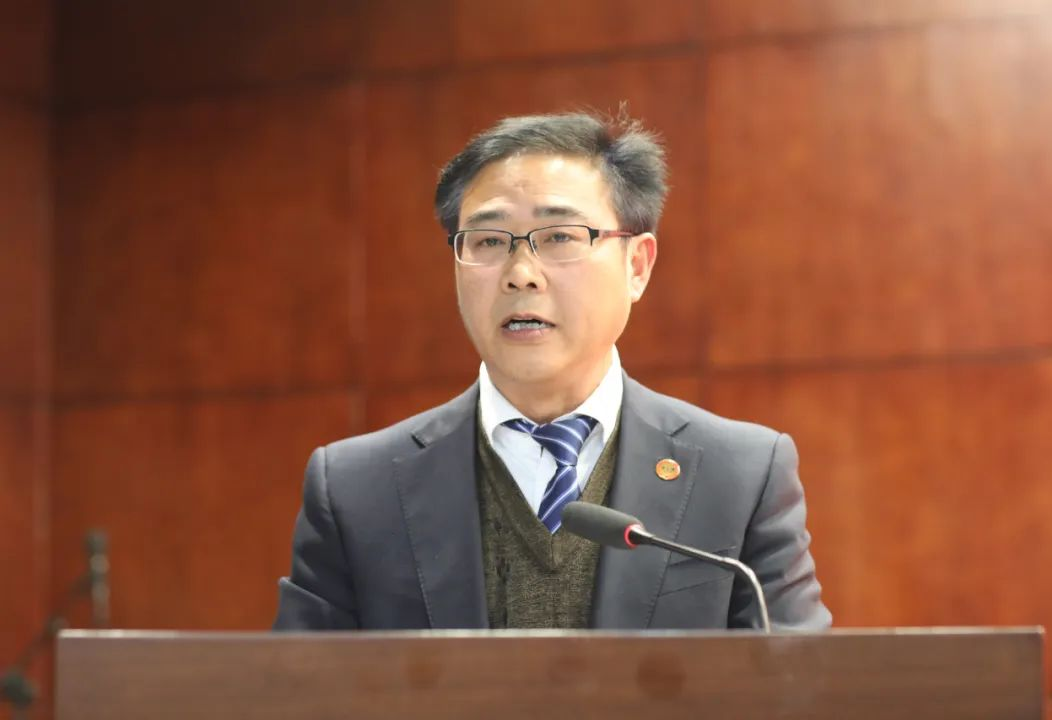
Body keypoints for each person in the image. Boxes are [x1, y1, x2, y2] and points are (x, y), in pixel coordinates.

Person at [273, 112, 831, 631]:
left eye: (560, 237)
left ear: (637, 266)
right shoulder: (356, 489)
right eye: (488, 241)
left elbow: (801, 684)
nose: (521, 273)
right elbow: (300, 688)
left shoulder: (740, 474)